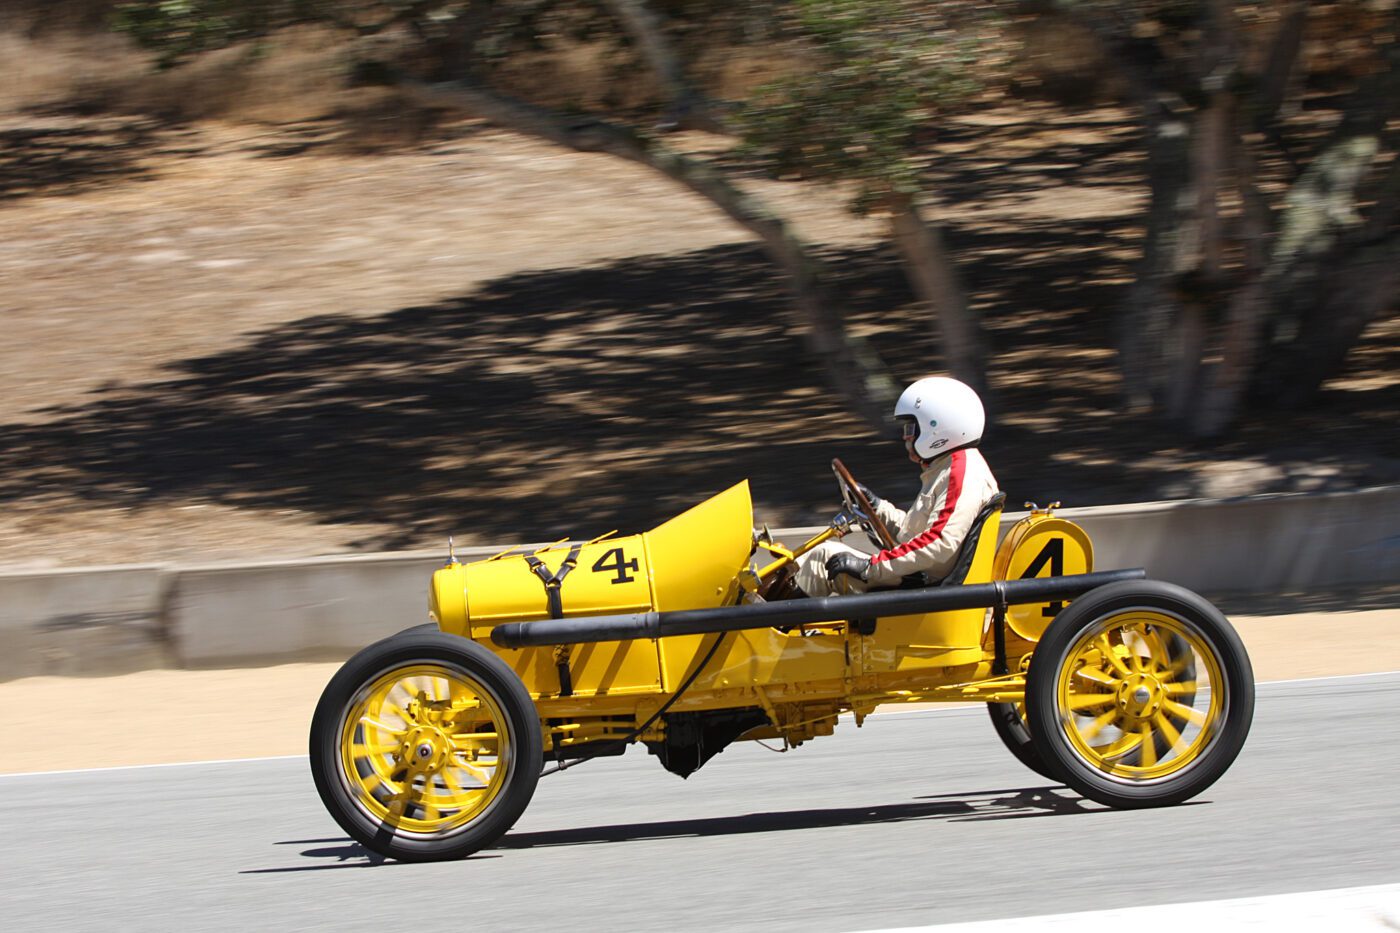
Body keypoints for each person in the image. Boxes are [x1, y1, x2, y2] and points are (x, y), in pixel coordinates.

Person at [793, 376, 1000, 597]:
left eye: (912, 427)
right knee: (807, 558)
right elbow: (914, 533)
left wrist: (871, 567)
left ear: (937, 427)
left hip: (927, 589)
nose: (905, 436)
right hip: (922, 578)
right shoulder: (948, 468)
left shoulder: (961, 472)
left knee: (821, 559)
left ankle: (770, 626)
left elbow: (939, 542)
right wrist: (878, 508)